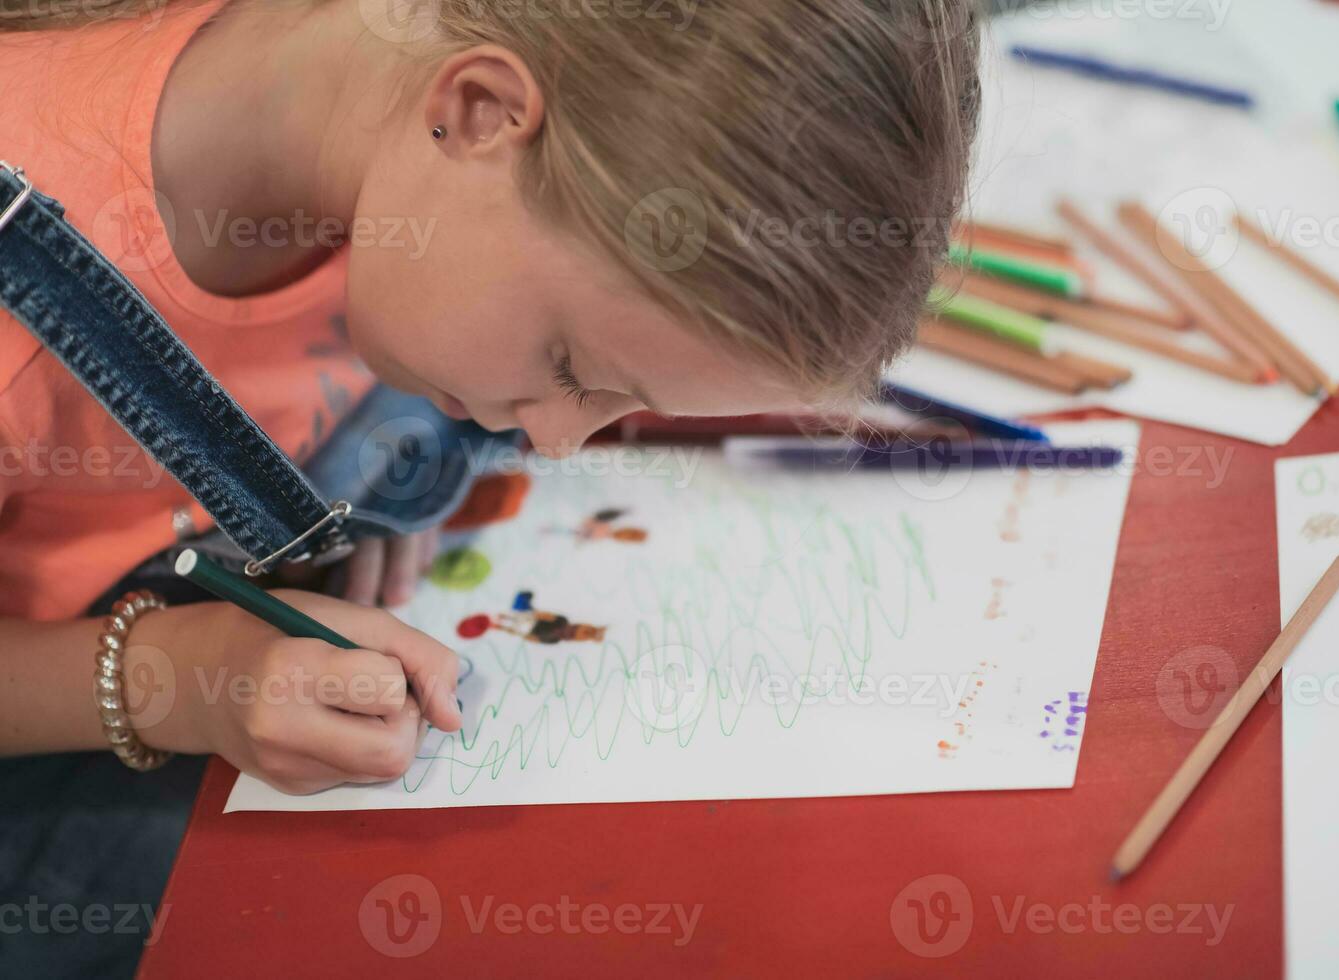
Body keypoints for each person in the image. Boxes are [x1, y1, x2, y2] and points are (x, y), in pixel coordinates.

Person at [0, 0, 979, 972]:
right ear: (476, 111)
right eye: (568, 363)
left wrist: (387, 445)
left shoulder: (378, 105)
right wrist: (170, 676)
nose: (556, 442)